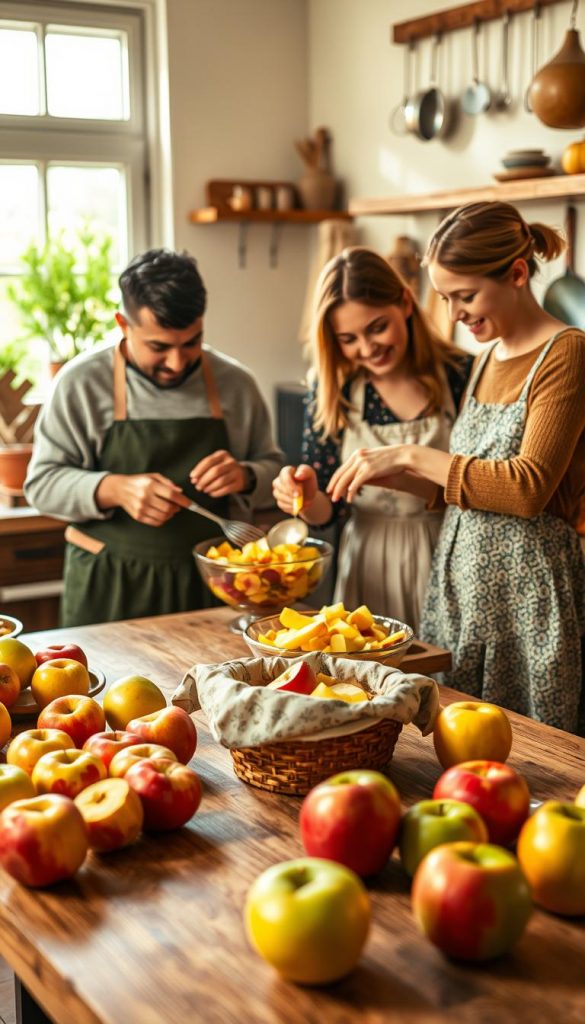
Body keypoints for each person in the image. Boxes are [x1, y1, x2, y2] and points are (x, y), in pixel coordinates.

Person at [327, 202, 585, 734]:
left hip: (529, 601)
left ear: (516, 274)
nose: (453, 315)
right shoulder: (488, 357)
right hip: (459, 594)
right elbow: (467, 483)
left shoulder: (566, 353)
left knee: (541, 758)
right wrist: (387, 475)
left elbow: (526, 489)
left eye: (464, 297)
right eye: (445, 299)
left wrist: (406, 454)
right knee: (453, 752)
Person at [25, 248, 283, 626]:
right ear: (123, 325)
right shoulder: (80, 384)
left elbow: (275, 471)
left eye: (191, 342)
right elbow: (41, 484)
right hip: (109, 587)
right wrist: (113, 489)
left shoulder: (237, 385)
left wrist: (246, 476)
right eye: (159, 347)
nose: (177, 363)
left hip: (211, 587)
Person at [272, 246, 472, 629]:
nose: (367, 348)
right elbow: (328, 512)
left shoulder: (461, 374)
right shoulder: (334, 389)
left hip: (450, 552)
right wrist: (306, 497)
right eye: (348, 338)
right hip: (367, 559)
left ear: (406, 304)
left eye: (377, 327)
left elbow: (483, 484)